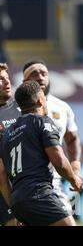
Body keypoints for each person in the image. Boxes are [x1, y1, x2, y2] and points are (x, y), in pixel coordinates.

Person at [0, 81, 83, 226]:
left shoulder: (7, 134)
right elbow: (59, 160)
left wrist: (13, 206)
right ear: (40, 101)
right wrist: (73, 179)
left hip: (17, 201)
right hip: (39, 194)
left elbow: (2, 174)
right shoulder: (42, 122)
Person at [22, 60, 82, 215]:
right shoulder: (15, 109)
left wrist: (75, 167)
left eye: (44, 73)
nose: (40, 77)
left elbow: (72, 139)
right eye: (34, 73)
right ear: (24, 81)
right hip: (24, 180)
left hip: (54, 180)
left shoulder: (62, 107)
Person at [0, 63, 20, 226]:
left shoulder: (21, 107)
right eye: (0, 79)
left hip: (15, 187)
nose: (7, 82)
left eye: (7, 78)